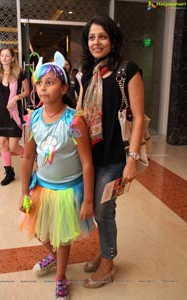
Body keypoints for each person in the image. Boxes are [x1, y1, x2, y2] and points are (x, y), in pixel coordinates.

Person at [19, 51, 94, 300]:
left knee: (62, 236)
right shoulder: (33, 119)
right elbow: (28, 157)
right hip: (41, 187)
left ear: (63, 88)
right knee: (41, 231)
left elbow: (86, 162)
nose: (42, 88)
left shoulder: (74, 122)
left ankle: (61, 276)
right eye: (39, 83)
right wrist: (23, 192)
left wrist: (88, 200)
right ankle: (51, 255)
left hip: (67, 191)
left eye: (49, 82)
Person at [76, 15, 145, 288]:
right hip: (91, 156)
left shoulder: (128, 70)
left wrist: (132, 160)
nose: (96, 42)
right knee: (95, 208)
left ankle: (108, 264)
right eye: (92, 37)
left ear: (113, 39)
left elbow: (138, 117)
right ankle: (104, 251)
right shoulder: (86, 73)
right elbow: (80, 114)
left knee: (104, 211)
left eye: (102, 36)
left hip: (116, 156)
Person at [0, 46, 29, 185]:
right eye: (2, 56)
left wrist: (15, 98)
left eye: (7, 55)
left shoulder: (20, 73)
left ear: (13, 58)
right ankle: (9, 172)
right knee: (3, 143)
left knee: (14, 147)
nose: (4, 58)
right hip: (1, 113)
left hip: (14, 114)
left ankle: (31, 159)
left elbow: (27, 91)